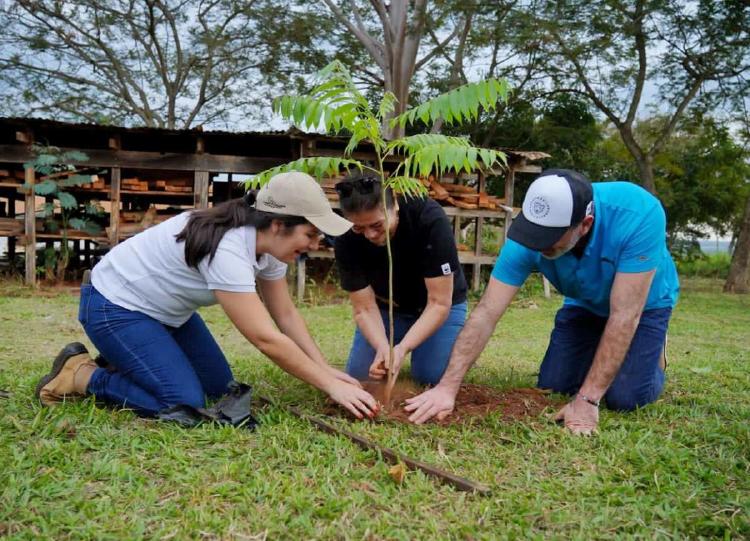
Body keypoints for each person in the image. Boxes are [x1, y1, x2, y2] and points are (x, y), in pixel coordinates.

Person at [35, 172, 379, 420]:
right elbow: (265, 338)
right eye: (311, 233)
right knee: (185, 403)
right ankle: (81, 375)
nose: (315, 245)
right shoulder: (229, 248)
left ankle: (129, 357)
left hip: (166, 314)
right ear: (278, 224)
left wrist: (326, 372)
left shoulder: (270, 250)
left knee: (218, 389)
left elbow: (285, 315)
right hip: (114, 307)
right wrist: (331, 387)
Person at [405, 169, 679, 434]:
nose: (538, 244)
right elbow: (488, 311)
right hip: (583, 302)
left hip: (642, 307)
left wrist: (587, 400)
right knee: (555, 386)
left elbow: (624, 315)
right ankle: (600, 347)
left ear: (585, 225)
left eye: (549, 240)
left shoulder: (638, 213)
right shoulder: (528, 237)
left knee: (625, 398)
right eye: (535, 235)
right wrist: (447, 387)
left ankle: (651, 354)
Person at [333, 172, 468, 386]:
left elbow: (439, 303)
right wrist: (382, 347)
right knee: (362, 375)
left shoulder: (428, 218)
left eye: (377, 225)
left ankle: (448, 344)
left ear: (394, 205)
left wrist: (402, 349)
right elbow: (364, 308)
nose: (369, 235)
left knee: (430, 377)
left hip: (437, 306)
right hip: (388, 307)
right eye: (359, 228)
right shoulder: (344, 235)